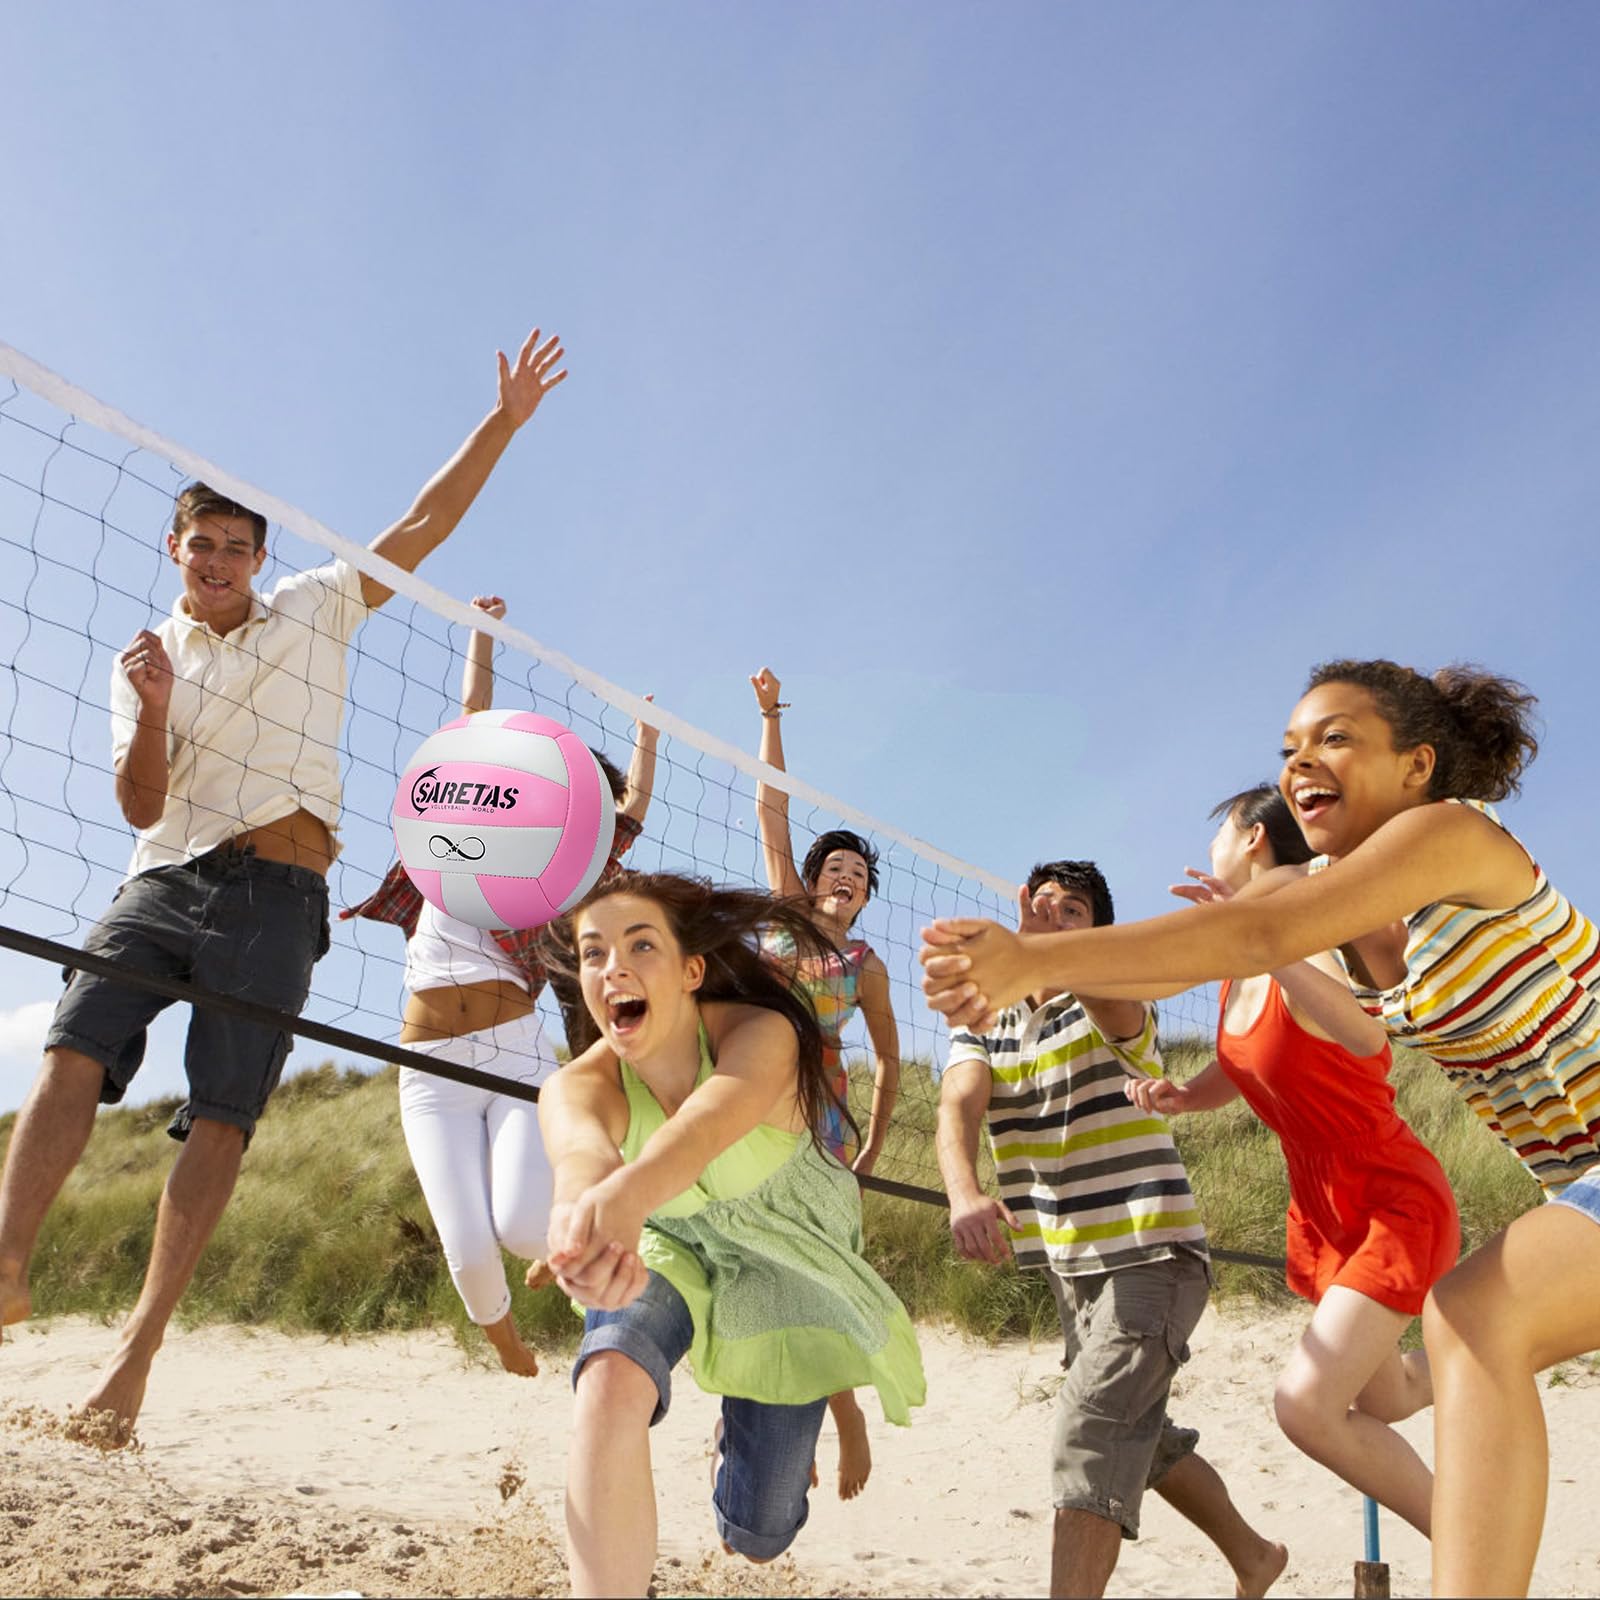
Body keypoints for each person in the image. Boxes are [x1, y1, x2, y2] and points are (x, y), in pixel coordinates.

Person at [920, 658, 1600, 1598]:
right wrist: (1042, 970)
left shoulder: (1450, 834)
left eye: (1335, 738)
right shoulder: (1308, 891)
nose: (1300, 764)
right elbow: (1180, 968)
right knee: (1467, 1337)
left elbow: (1251, 942)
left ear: (1417, 765)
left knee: (1473, 1321)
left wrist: (1036, 952)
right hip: (1573, 1182)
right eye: (1289, 748)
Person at [0, 327, 567, 1440]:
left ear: (260, 558)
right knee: (73, 1047)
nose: (217, 559)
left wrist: (501, 422)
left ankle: (134, 1356)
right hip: (162, 875)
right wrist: (155, 711)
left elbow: (420, 527)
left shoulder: (316, 605)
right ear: (174, 547)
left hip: (278, 890)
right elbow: (138, 806)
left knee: (222, 1114)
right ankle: (7, 1266)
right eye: (201, 542)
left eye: (236, 546)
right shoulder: (145, 657)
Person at [536, 872, 926, 1599]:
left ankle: (732, 1461)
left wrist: (621, 1192)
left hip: (786, 1257)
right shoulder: (575, 1085)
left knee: (758, 1535)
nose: (612, 966)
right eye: (594, 953)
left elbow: (702, 1130)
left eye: (639, 943)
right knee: (609, 1375)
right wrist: (578, 1220)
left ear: (691, 971)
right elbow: (580, 1158)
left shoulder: (763, 1033)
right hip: (670, 1238)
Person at [936, 859, 1287, 1600]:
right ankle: (1255, 1556)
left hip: (1151, 1251)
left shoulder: (1114, 1000)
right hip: (1071, 1267)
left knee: (1089, 1435)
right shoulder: (988, 1022)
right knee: (1141, 1435)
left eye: (1076, 912)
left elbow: (1105, 986)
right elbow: (958, 1105)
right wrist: (964, 1194)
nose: (1057, 916)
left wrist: (1044, 950)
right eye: (1046, 905)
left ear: (1097, 933)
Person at [1123, 784, 1458, 1535]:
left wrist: (1268, 946)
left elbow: (1370, 1040)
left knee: (1306, 1406)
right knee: (1391, 1397)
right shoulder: (1245, 960)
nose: (1208, 845)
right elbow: (1254, 1063)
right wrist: (1185, 1095)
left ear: (1250, 838)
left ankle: (1471, 1555)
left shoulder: (1302, 933)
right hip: (1323, 1206)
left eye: (1218, 831)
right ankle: (1497, 1345)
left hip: (1389, 1195)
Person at [338, 594, 657, 1375]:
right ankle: (505, 1342)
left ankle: (592, 1289)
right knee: (469, 1246)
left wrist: (649, 734)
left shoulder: (558, 883)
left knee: (523, 1226)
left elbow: (629, 813)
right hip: (432, 1069)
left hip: (517, 1057)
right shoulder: (450, 838)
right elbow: (470, 718)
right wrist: (481, 632)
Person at [748, 664, 904, 1498]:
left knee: (817, 1270)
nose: (847, 873)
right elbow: (772, 803)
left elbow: (889, 1056)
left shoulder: (866, 963)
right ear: (813, 880)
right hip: (748, 1105)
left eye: (860, 872)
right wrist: (772, 713)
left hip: (825, 1122)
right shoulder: (781, 914)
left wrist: (874, 1142)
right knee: (746, 1263)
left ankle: (839, 1414)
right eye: (835, 863)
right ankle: (762, 1427)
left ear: (866, 895)